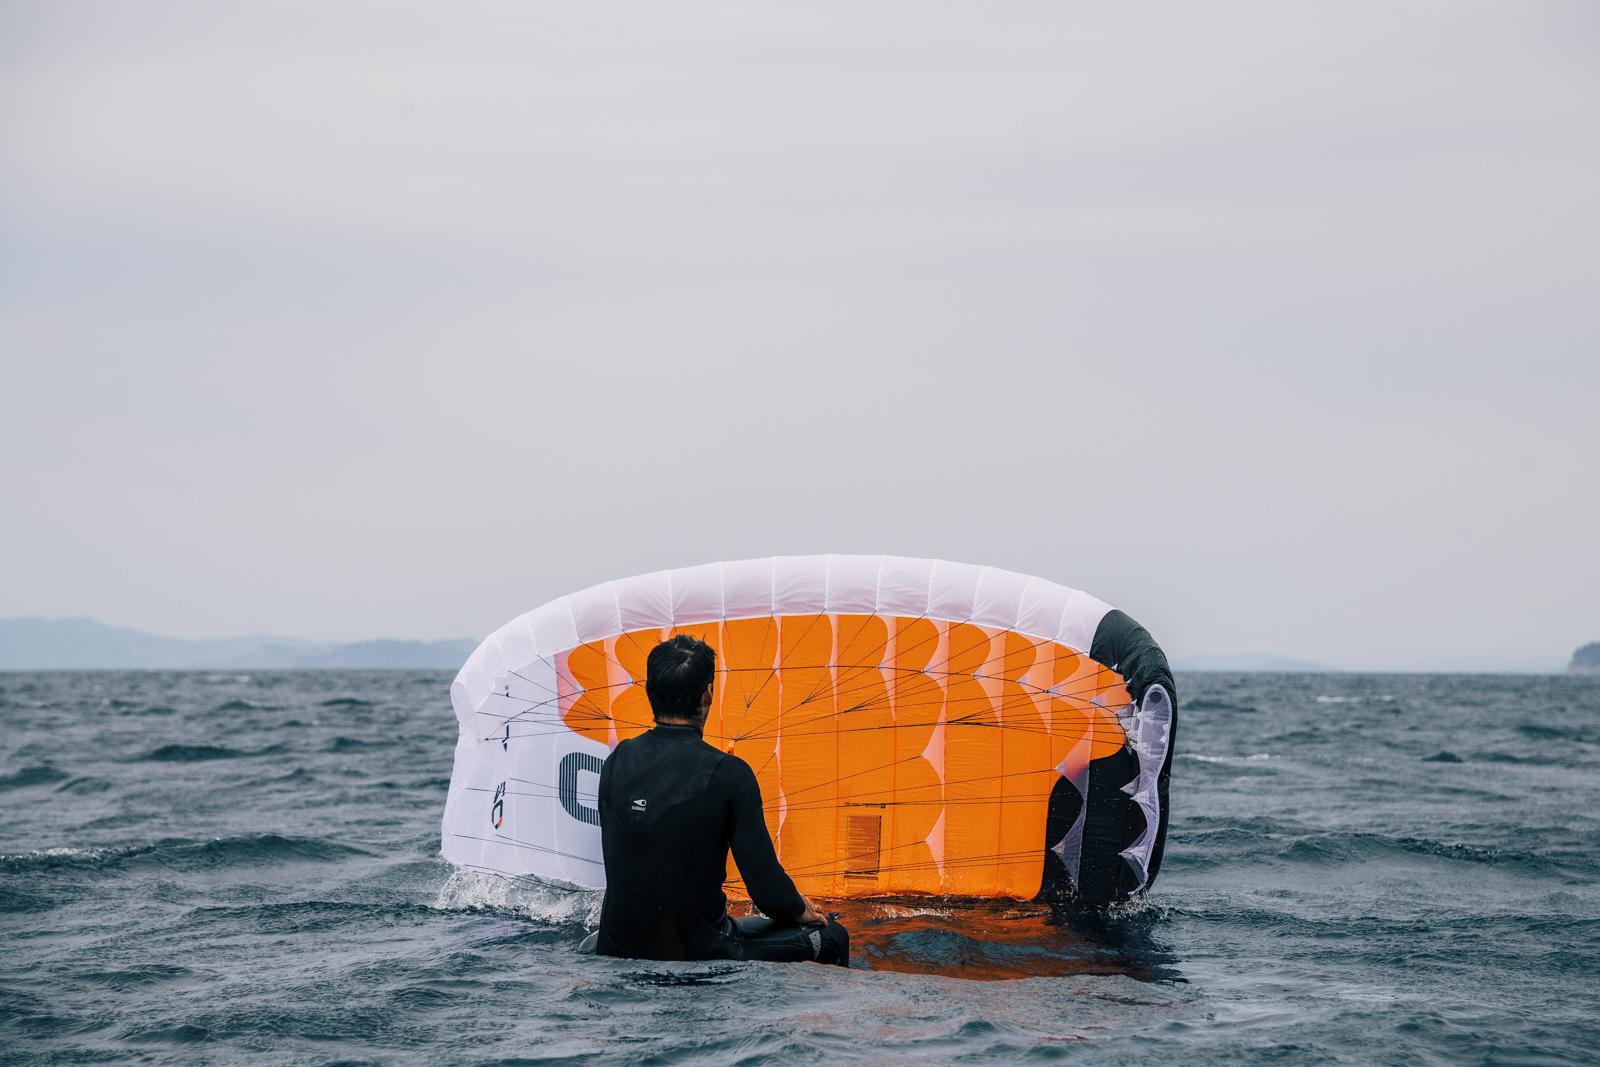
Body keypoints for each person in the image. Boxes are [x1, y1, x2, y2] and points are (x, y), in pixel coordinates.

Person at [588, 634, 849, 966]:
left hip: (615, 946)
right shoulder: (729, 773)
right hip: (698, 954)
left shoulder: (617, 761)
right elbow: (767, 890)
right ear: (707, 693)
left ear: (650, 692)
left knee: (748, 926)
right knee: (833, 935)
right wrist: (799, 909)